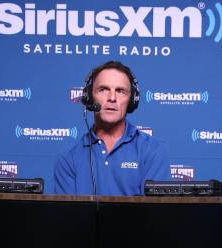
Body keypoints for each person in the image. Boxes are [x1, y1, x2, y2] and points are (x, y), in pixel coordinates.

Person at [54, 61, 170, 195]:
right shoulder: (67, 159)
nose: (112, 98)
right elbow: (69, 214)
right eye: (103, 90)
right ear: (89, 97)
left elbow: (155, 213)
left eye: (120, 91)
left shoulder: (154, 151)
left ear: (132, 100)